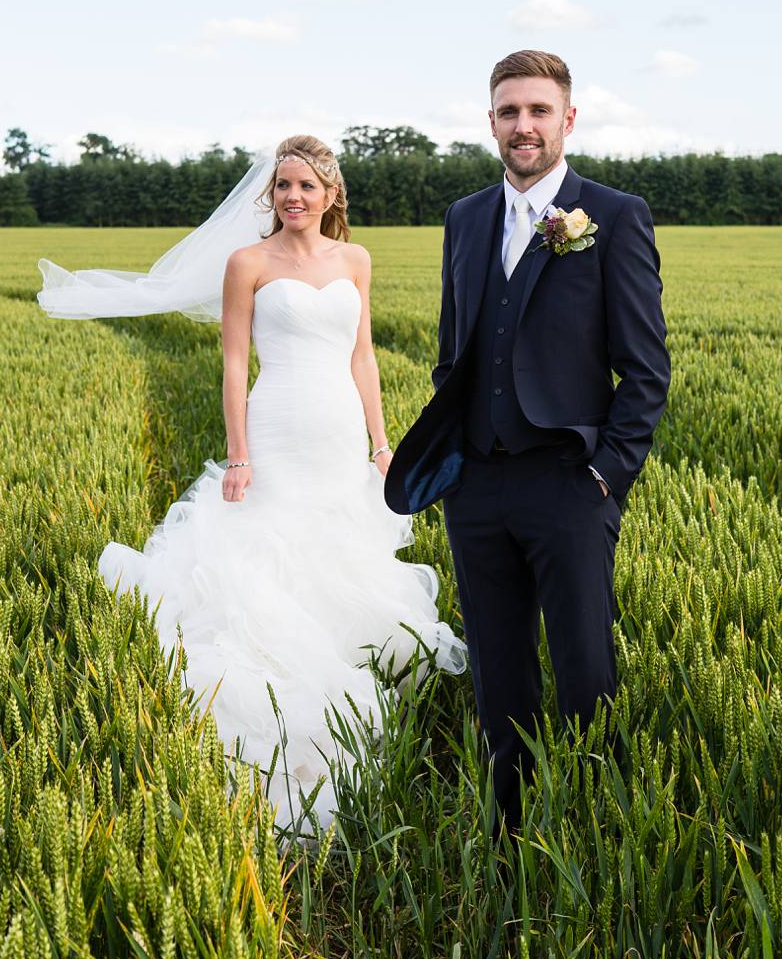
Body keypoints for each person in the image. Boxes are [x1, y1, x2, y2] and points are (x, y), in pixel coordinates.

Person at [37, 134, 467, 831]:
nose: (293, 197)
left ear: (331, 193)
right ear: (270, 196)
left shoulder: (355, 259)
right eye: (283, 186)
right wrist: (239, 455)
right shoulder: (249, 262)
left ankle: (340, 654)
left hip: (337, 431)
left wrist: (382, 442)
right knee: (270, 542)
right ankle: (280, 678)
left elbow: (363, 358)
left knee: (338, 540)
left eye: (306, 185)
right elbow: (235, 365)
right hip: (277, 425)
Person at [385, 52, 670, 832]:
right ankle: (508, 840)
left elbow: (646, 370)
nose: (524, 125)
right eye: (509, 111)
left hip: (569, 485)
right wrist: (454, 466)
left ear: (567, 120)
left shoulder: (611, 215)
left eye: (539, 110)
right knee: (498, 678)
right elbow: (453, 352)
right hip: (475, 485)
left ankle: (595, 834)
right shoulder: (465, 217)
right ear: (491, 123)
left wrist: (607, 474)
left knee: (586, 673)